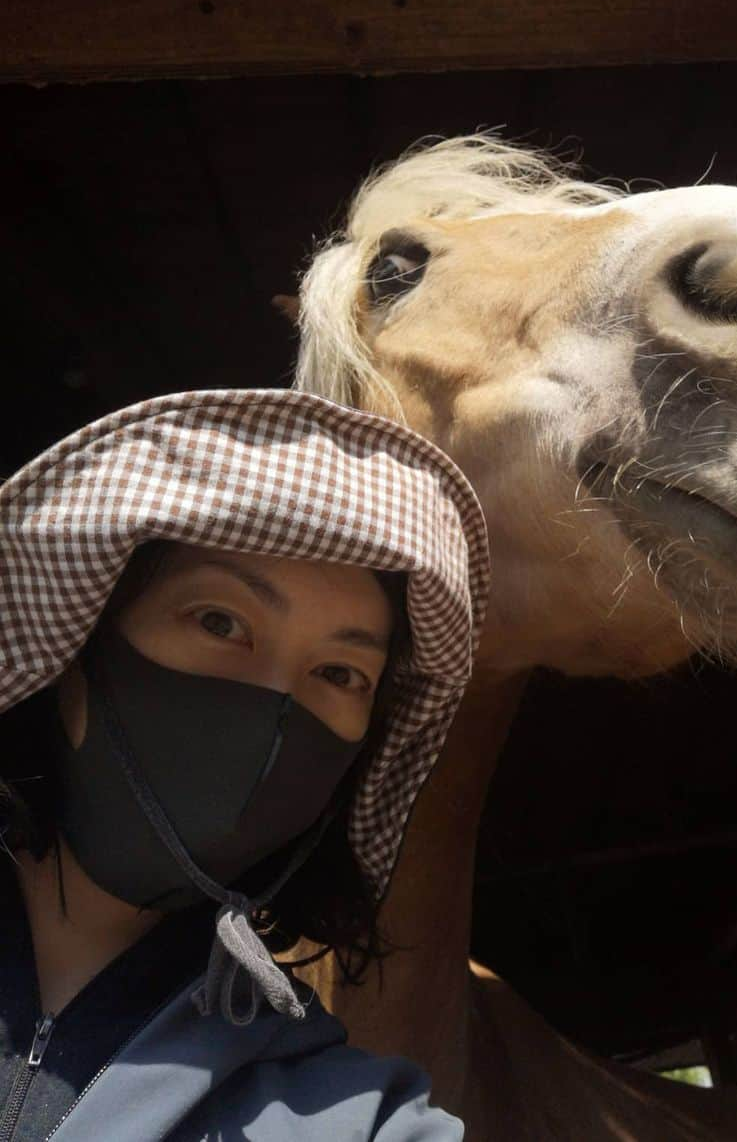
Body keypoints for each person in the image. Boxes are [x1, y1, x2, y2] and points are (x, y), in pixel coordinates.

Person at [0, 388, 489, 1141]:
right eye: (220, 621)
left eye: (339, 674)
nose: (275, 708)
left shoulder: (353, 1119)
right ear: (77, 648)